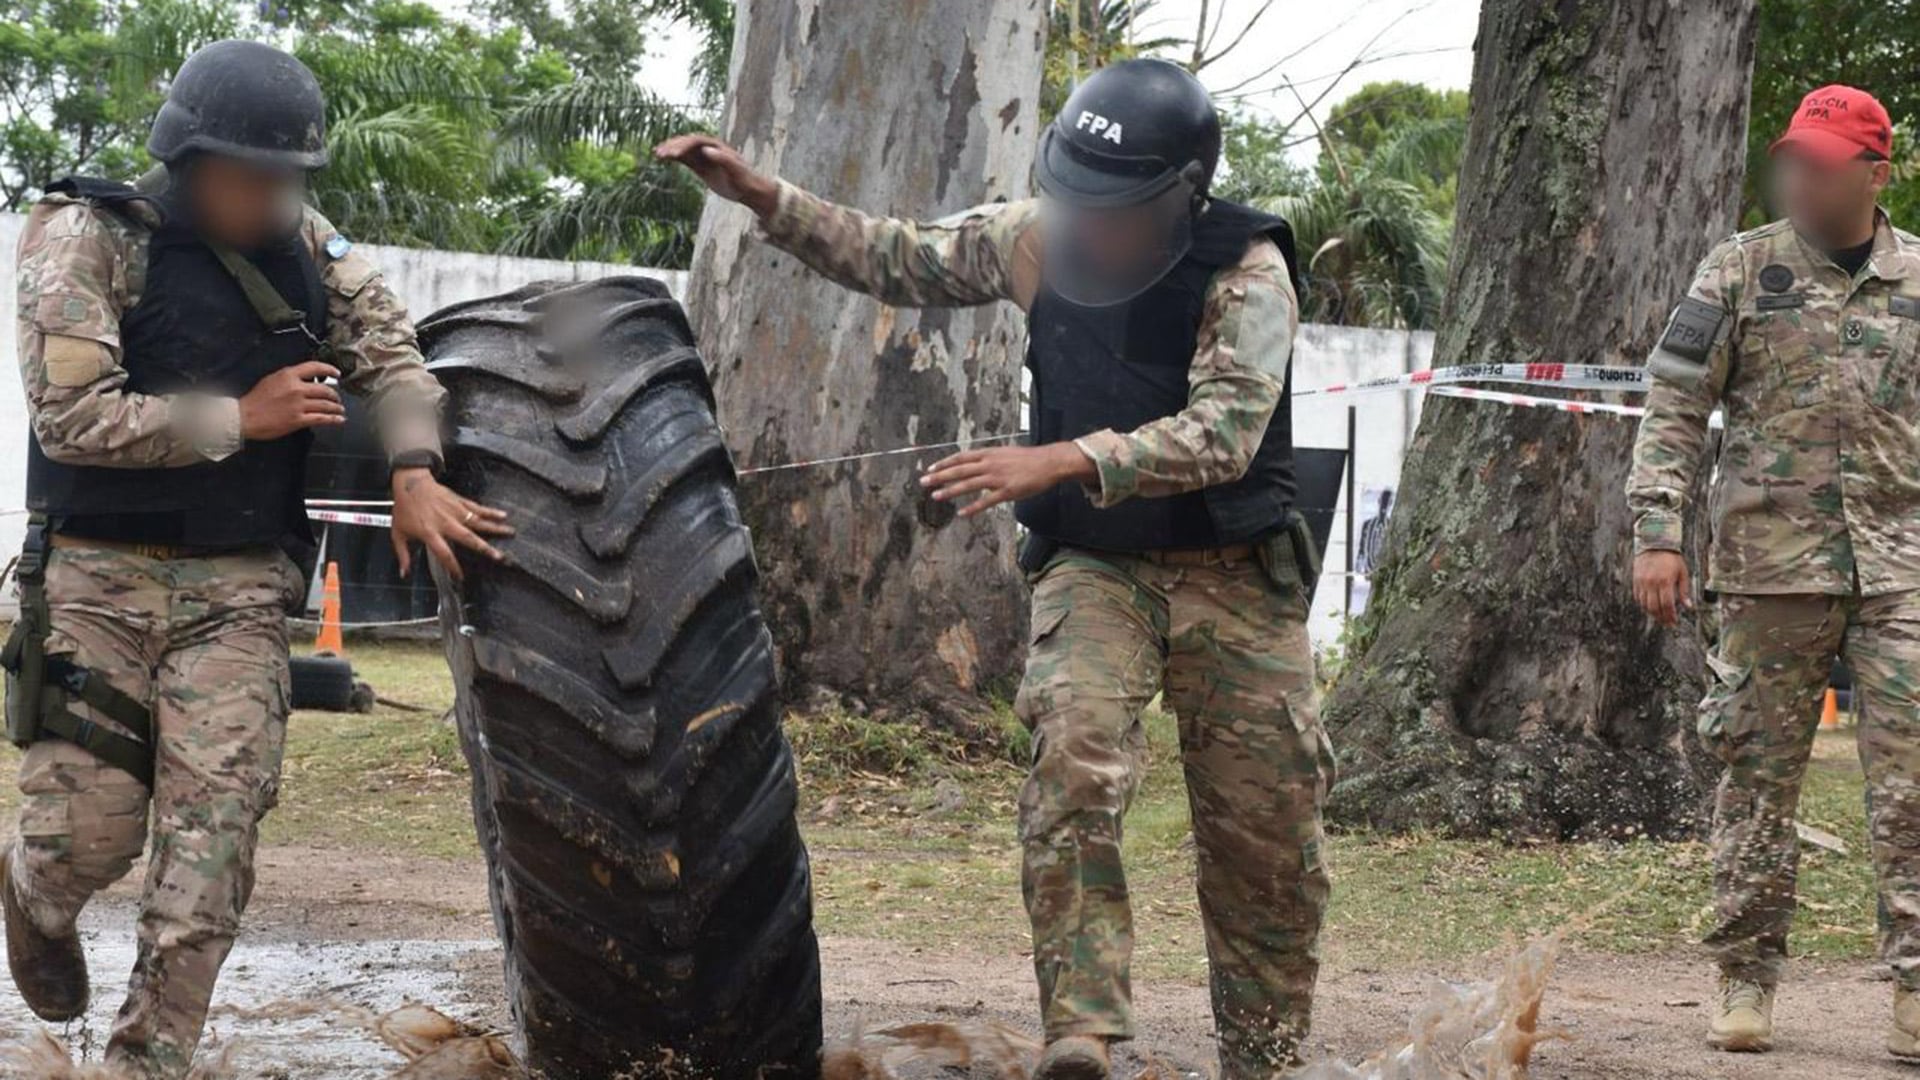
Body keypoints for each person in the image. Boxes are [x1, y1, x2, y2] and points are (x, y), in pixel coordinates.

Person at [661, 57, 1331, 1080]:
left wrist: (1064, 458)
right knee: (1074, 759)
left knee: (1266, 843)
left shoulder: (1246, 270)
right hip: (1099, 568)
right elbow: (895, 256)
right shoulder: (1033, 238)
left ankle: (1267, 1057)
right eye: (1079, 199)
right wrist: (762, 195)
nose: (1090, 227)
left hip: (1237, 576)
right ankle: (1084, 1033)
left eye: (1117, 210)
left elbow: (1225, 435)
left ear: (1180, 201)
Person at [1, 39, 509, 1078]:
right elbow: (69, 419)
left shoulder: (309, 245)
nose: (269, 198)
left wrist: (414, 466)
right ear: (187, 159)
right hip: (93, 584)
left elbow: (394, 356)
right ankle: (30, 895)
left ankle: (148, 1061)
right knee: (83, 842)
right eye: (249, 176)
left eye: (287, 178)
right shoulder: (86, 234)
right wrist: (243, 417)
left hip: (237, 591)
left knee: (213, 847)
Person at [1627, 84, 1920, 1058]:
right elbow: (1671, 406)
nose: (1799, 176)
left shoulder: (1918, 279)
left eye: (1824, 163)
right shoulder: (1741, 269)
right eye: (1793, 158)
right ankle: (1745, 978)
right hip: (1766, 570)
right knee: (1756, 778)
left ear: (1874, 173)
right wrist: (1658, 532)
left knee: (1912, 782)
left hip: (1901, 575)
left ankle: (1916, 985)